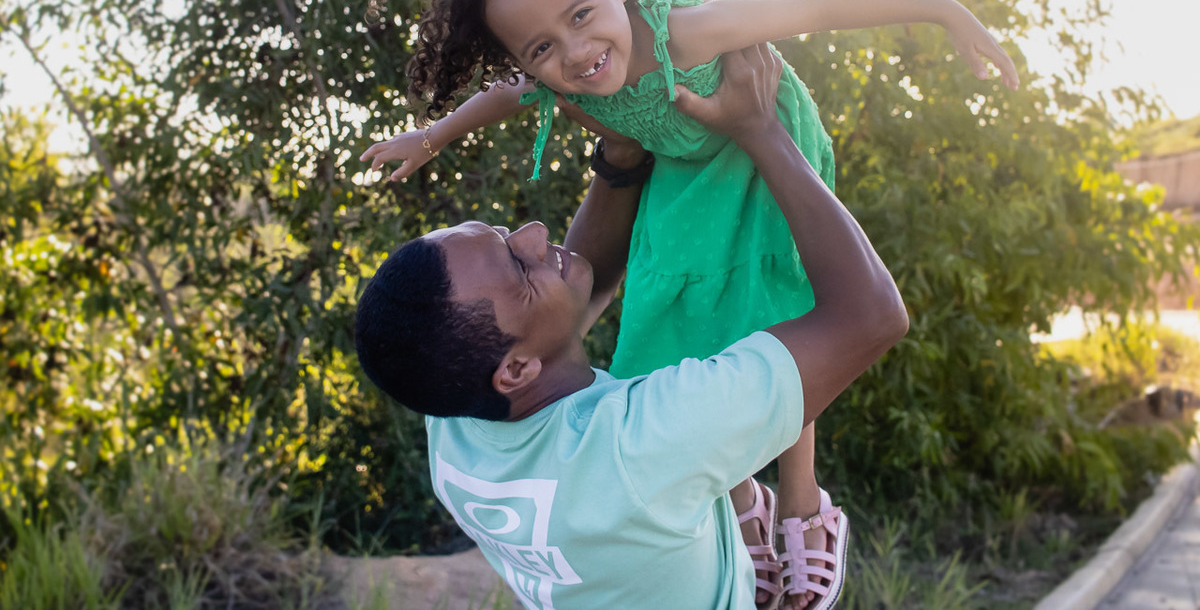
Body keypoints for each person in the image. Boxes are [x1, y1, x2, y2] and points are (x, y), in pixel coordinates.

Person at [360, 0, 1018, 608]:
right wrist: (436, 133)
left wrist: (942, 10)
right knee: (662, 306)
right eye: (541, 49)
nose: (575, 53)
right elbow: (505, 97)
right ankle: (739, 501)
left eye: (583, 14)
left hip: (759, 148)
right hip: (686, 166)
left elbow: (818, 7)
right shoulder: (623, 445)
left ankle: (800, 507)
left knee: (774, 309)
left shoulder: (686, 35)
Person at [355, 43, 910, 609]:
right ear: (516, 370)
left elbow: (577, 292)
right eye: (519, 267)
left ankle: (740, 511)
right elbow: (871, 316)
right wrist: (761, 132)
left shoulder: (454, 421)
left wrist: (619, 156)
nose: (533, 232)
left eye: (501, 233)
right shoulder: (642, 445)